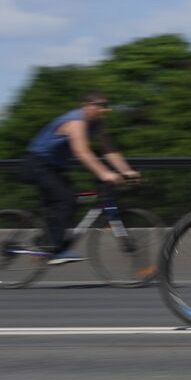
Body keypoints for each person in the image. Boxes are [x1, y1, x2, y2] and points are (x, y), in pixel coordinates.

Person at [20, 92, 140, 264]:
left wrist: (127, 170)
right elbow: (81, 151)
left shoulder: (97, 124)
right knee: (65, 201)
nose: (106, 109)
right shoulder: (76, 120)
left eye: (107, 105)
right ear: (87, 105)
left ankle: (44, 242)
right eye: (101, 105)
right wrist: (105, 173)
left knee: (70, 202)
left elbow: (109, 150)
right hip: (36, 164)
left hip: (54, 168)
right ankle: (53, 249)